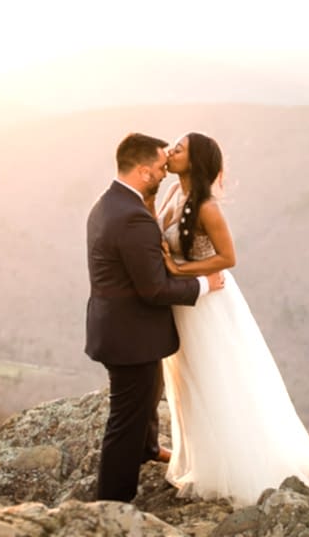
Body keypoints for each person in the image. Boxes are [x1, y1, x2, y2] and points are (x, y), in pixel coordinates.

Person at [157, 132, 309, 506]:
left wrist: (179, 271)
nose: (171, 152)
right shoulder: (171, 194)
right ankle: (198, 461)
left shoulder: (207, 208)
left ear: (194, 162)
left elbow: (227, 258)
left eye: (179, 149)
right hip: (185, 302)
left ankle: (235, 468)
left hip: (208, 304)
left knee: (216, 378)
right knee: (187, 383)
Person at [85, 132, 226, 502]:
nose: (166, 172)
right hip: (130, 336)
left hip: (116, 326)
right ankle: (112, 504)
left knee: (147, 396)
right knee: (125, 420)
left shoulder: (109, 202)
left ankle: (147, 448)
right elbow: (154, 290)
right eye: (161, 167)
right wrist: (204, 286)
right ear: (145, 172)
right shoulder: (132, 218)